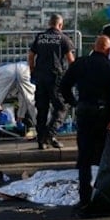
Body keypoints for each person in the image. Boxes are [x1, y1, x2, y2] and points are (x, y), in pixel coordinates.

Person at [60, 35, 110, 213]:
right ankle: (104, 195)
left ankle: (84, 198)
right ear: (107, 50)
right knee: (104, 157)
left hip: (84, 112)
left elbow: (64, 85)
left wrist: (74, 102)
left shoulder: (80, 63)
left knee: (84, 156)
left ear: (94, 47)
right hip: (103, 114)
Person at [29, 13, 75, 150]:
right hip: (55, 77)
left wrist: (32, 71)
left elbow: (31, 56)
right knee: (61, 107)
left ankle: (41, 140)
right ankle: (49, 135)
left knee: (42, 109)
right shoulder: (63, 38)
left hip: (40, 77)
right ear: (60, 25)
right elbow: (71, 60)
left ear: (49, 24)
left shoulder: (40, 37)